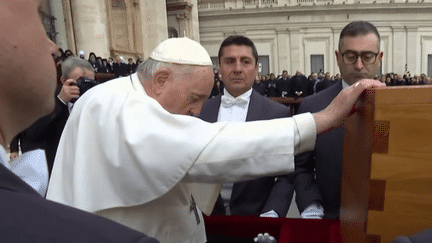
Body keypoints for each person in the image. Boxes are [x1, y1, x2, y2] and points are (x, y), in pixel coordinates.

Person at [46, 36, 384, 243]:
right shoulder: (117, 105)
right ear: (162, 78)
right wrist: (323, 119)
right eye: (194, 97)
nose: (196, 111)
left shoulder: (128, 98)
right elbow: (207, 148)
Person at [0, 1, 159, 242]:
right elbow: (32, 136)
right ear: (63, 79)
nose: (53, 47)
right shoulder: (51, 103)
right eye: (39, 15)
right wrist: (61, 101)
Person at [294, 20, 384, 219]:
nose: (359, 65)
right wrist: (311, 204)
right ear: (338, 57)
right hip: (329, 218)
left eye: (367, 56)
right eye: (351, 56)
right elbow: (302, 167)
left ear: (379, 57)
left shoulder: (404, 107)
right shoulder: (311, 106)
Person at [200, 35, 293, 218]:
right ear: (219, 68)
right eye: (229, 61)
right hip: (205, 223)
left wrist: (272, 212)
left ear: (256, 69)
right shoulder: (199, 112)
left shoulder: (277, 114)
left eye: (245, 61)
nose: (237, 69)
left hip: (257, 221)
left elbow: (286, 175)